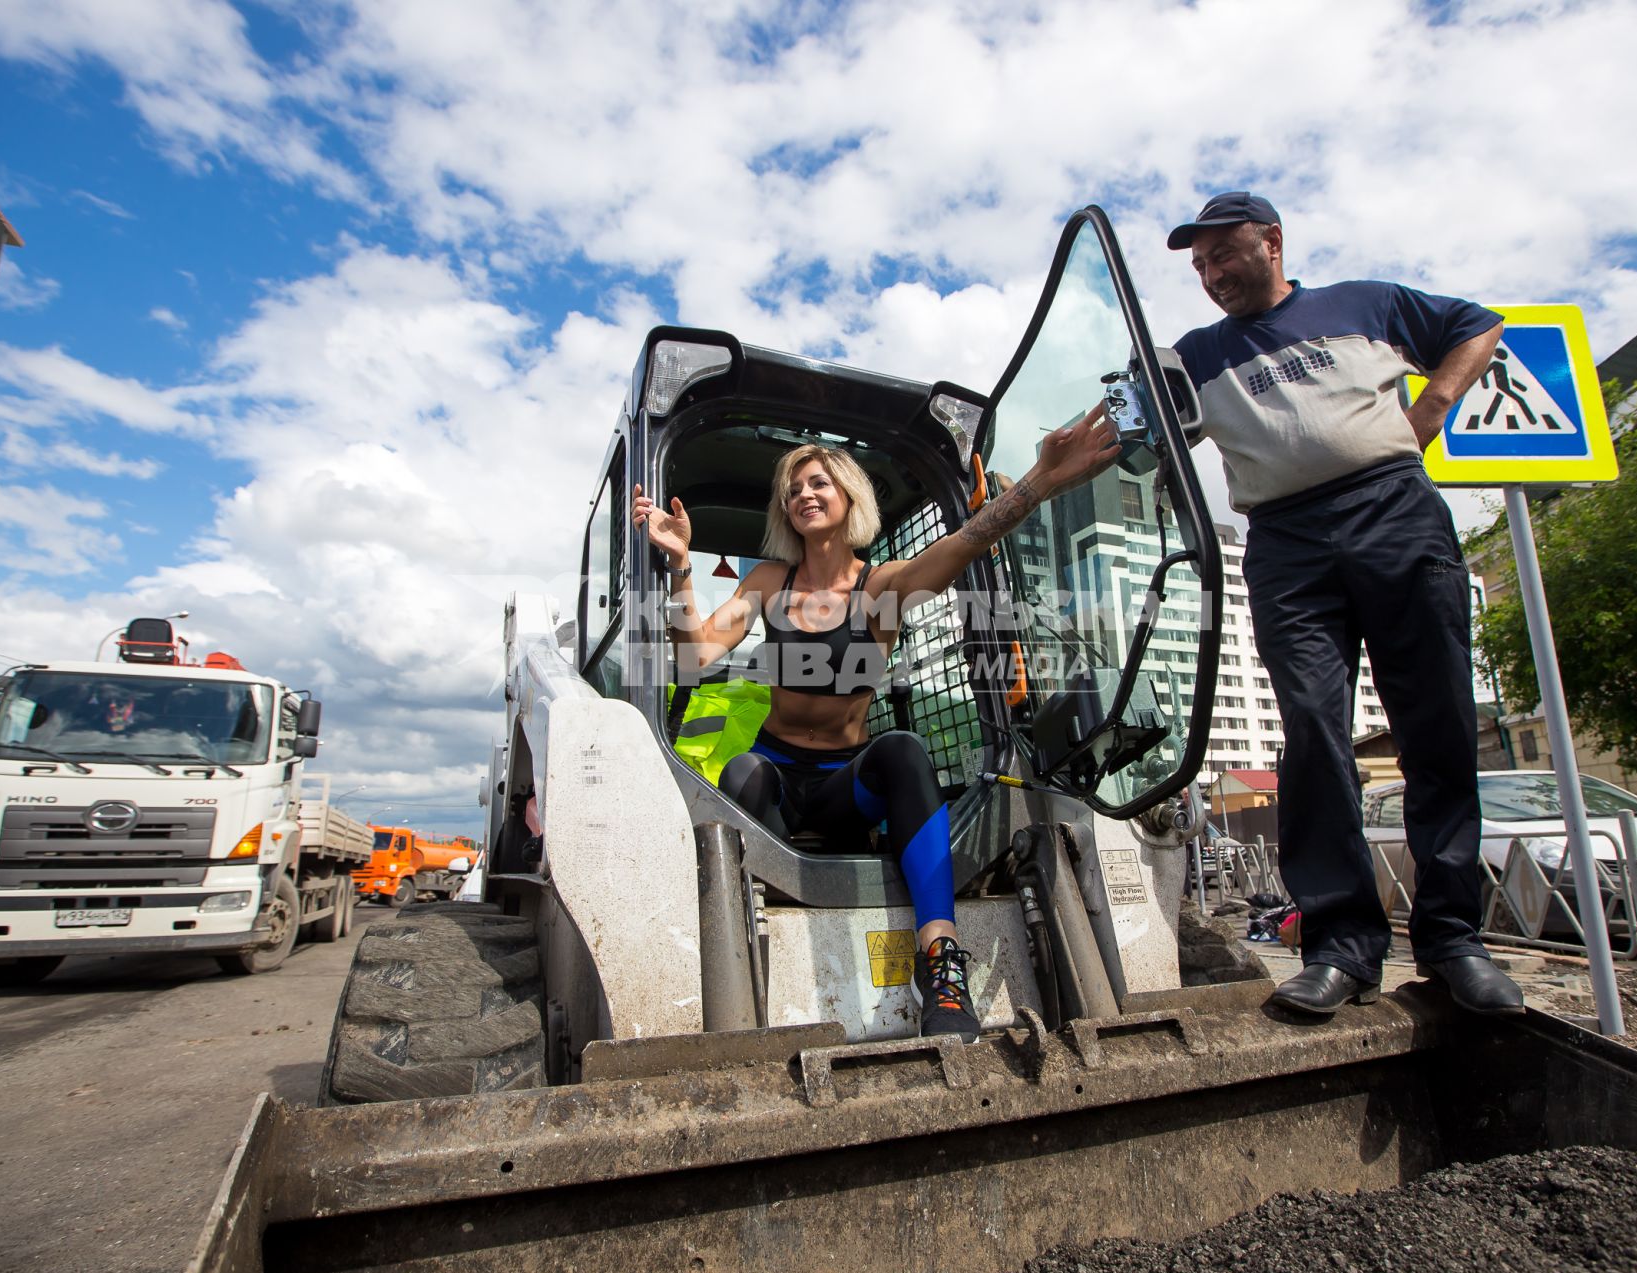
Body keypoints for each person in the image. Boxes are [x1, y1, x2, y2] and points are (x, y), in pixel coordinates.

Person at [633, 412, 1120, 1041]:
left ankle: (942, 968)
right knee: (742, 769)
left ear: (848, 498)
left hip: (844, 792)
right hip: (773, 787)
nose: (803, 495)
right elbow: (694, 654)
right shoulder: (765, 581)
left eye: (818, 484)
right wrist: (679, 569)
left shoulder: (880, 587)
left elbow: (969, 539)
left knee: (904, 751)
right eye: (793, 489)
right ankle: (756, 950)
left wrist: (1041, 482)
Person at [1166, 191, 1523, 1017]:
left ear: (1273, 242)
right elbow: (1124, 420)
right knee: (1315, 734)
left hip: (1394, 511)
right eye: (1200, 266)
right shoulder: (1193, 357)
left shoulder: (1366, 304)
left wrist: (1430, 406)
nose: (1213, 274)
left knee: (1436, 726)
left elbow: (1479, 323)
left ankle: (1453, 941)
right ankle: (1342, 947)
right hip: (1286, 544)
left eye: (1225, 254)